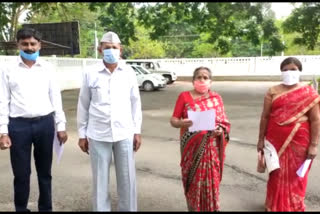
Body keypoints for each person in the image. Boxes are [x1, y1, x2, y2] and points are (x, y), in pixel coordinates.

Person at [0, 27, 68, 212]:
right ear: (18, 45)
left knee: (44, 172)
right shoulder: (7, 69)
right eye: (25, 44)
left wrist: (60, 126)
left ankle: (45, 208)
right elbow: (2, 101)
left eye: (32, 44)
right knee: (21, 174)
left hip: (45, 124)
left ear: (40, 45)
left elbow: (56, 98)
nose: (29, 47)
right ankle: (21, 208)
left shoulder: (48, 68)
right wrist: (3, 132)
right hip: (18, 126)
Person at [77, 31, 142, 211]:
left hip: (124, 132)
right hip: (98, 133)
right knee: (100, 180)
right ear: (100, 50)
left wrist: (137, 131)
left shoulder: (128, 72)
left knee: (127, 179)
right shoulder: (90, 73)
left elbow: (135, 103)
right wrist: (82, 134)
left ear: (120, 50)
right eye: (107, 47)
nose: (111, 50)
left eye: (114, 47)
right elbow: (83, 104)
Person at [257, 57, 320, 211]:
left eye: (293, 69)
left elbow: (316, 120)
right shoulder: (272, 91)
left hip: (300, 142)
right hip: (274, 140)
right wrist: (260, 140)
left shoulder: (309, 93)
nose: (289, 72)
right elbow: (265, 116)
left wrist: (313, 145)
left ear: (299, 71)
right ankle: (274, 205)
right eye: (285, 70)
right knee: (275, 174)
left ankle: (294, 206)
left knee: (296, 176)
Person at [170, 66, 231, 211]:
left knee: (211, 182)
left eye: (205, 77)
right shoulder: (184, 97)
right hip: (191, 149)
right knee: (192, 183)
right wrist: (180, 123)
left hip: (212, 148)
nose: (202, 80)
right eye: (199, 77)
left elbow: (224, 122)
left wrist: (220, 130)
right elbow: (173, 120)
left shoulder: (216, 98)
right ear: (193, 80)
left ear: (210, 81)